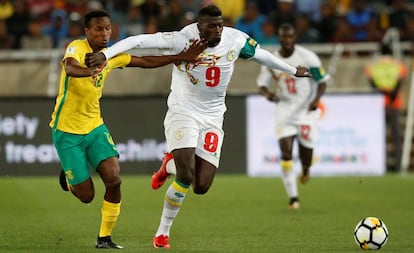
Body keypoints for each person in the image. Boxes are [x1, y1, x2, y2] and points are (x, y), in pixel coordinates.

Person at [85, 5, 311, 248]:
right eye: (211, 26)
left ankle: (167, 165)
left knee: (201, 186)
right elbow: (138, 41)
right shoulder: (181, 39)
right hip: (184, 110)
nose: (217, 31)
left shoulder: (235, 39)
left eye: (220, 25)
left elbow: (262, 55)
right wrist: (106, 54)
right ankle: (163, 233)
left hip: (214, 116)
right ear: (199, 26)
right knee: (186, 174)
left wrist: (291, 70)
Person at [50, 9, 207, 250]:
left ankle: (104, 238)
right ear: (87, 31)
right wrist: (89, 71)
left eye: (108, 29)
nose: (105, 34)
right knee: (86, 196)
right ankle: (69, 179)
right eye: (99, 29)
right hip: (66, 131)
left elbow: (144, 61)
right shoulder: (77, 48)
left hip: (94, 126)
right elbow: (70, 67)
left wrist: (181, 57)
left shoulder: (111, 55)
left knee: (114, 180)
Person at [256, 23, 329, 210]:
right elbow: (261, 85)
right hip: (284, 109)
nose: (286, 40)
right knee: (286, 153)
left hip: (305, 111)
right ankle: (293, 198)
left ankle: (306, 169)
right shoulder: (272, 59)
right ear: (279, 37)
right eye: (282, 37)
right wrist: (268, 94)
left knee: (306, 155)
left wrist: (316, 100)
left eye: (289, 37)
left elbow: (321, 81)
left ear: (294, 38)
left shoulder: (308, 57)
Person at [364, 43, 408, 171]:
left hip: (379, 104)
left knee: (379, 136)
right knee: (396, 136)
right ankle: (399, 165)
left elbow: (373, 85)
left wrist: (384, 95)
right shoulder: (399, 66)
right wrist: (391, 97)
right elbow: (399, 84)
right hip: (394, 103)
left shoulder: (372, 67)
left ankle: (379, 164)